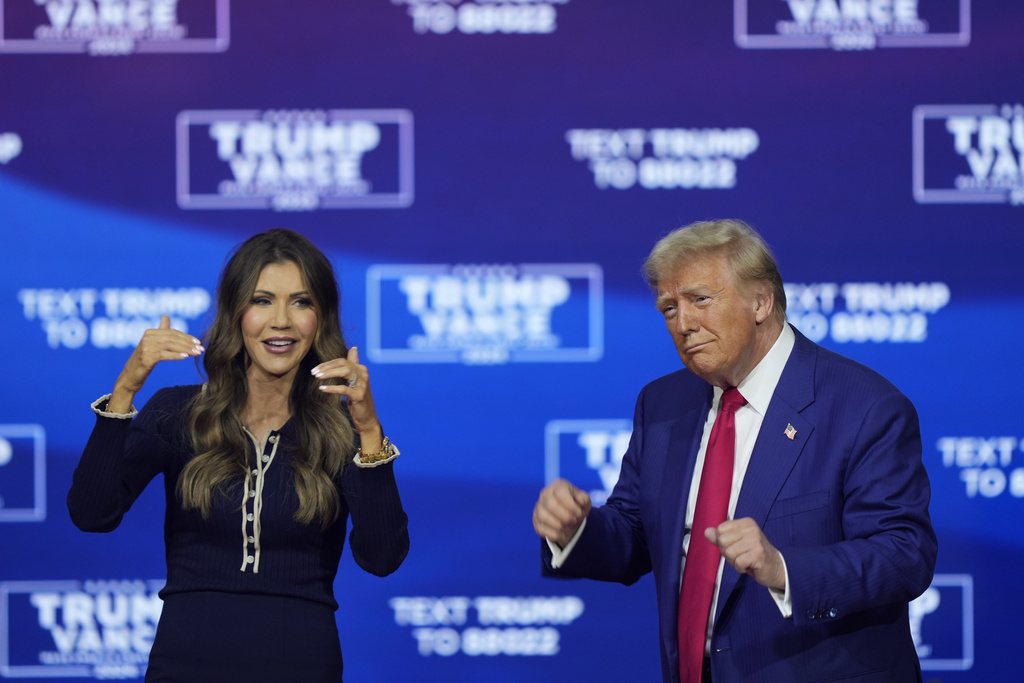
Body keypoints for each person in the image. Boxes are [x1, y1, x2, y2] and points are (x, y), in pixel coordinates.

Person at [532, 219, 936, 683]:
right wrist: (575, 531)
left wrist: (782, 568)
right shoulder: (662, 404)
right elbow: (637, 533)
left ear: (761, 301)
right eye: (668, 308)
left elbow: (904, 553)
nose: (683, 324)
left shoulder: (863, 407)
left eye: (700, 299)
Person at [68, 229, 409, 683]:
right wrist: (126, 389)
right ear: (236, 313)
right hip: (184, 666)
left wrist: (368, 431)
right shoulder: (178, 413)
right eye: (263, 300)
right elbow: (92, 513)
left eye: (301, 302)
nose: (282, 321)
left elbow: (382, 558)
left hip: (303, 666)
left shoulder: (342, 431)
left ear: (321, 318)